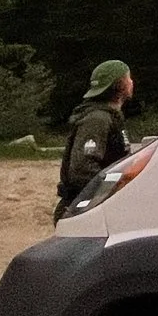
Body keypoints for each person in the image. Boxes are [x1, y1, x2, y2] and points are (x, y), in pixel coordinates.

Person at [56, 59, 134, 217]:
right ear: (119, 85)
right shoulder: (97, 119)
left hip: (97, 206)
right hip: (85, 209)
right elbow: (81, 170)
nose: (132, 82)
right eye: (129, 78)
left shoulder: (110, 117)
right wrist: (115, 188)